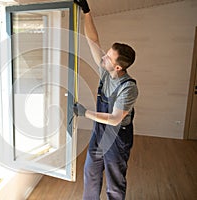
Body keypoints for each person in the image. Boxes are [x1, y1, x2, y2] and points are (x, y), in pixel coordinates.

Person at [73, 0, 139, 199]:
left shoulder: (128, 88)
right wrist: (86, 11)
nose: (104, 58)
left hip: (117, 139)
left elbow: (115, 118)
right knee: (91, 172)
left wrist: (84, 113)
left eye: (108, 57)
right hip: (99, 134)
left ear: (118, 67)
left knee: (115, 183)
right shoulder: (106, 73)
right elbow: (93, 40)